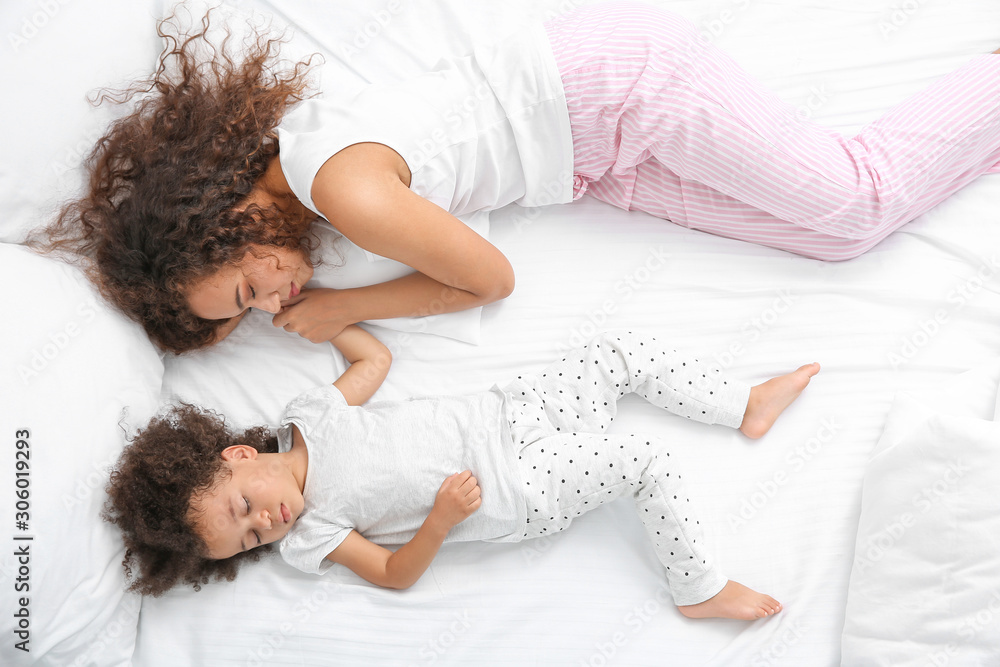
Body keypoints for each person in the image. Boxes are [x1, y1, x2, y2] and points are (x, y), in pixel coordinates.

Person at [43, 3, 1000, 353]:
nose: (274, 299)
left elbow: (491, 282)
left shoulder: (344, 194)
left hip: (623, 88)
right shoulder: (295, 166)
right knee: (838, 236)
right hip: (589, 161)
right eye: (251, 311)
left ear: (228, 216)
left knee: (859, 195)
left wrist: (345, 314)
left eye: (248, 286)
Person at [104, 327, 820, 620]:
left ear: (237, 457)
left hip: (511, 411)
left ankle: (742, 404)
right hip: (513, 486)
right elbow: (393, 574)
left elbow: (372, 364)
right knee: (645, 459)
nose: (264, 525)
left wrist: (323, 315)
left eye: (242, 509)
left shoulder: (307, 415)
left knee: (613, 353)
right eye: (249, 539)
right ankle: (697, 587)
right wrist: (442, 519)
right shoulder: (310, 536)